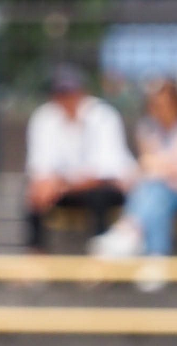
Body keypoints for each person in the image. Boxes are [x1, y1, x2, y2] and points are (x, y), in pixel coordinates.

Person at [90, 76, 177, 260]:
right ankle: (155, 254)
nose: (159, 111)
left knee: (155, 188)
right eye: (155, 105)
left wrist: (159, 168)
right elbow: (157, 167)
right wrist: (162, 168)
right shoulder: (148, 127)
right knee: (159, 194)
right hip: (166, 189)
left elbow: (176, 172)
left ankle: (129, 230)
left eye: (163, 105)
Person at [24, 63, 136, 251]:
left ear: (82, 92)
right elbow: (40, 167)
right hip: (65, 188)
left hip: (102, 188)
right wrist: (50, 185)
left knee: (99, 197)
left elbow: (105, 172)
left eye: (70, 92)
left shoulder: (103, 116)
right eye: (61, 93)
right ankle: (35, 255)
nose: (66, 99)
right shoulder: (44, 117)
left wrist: (61, 184)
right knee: (33, 195)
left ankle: (101, 256)